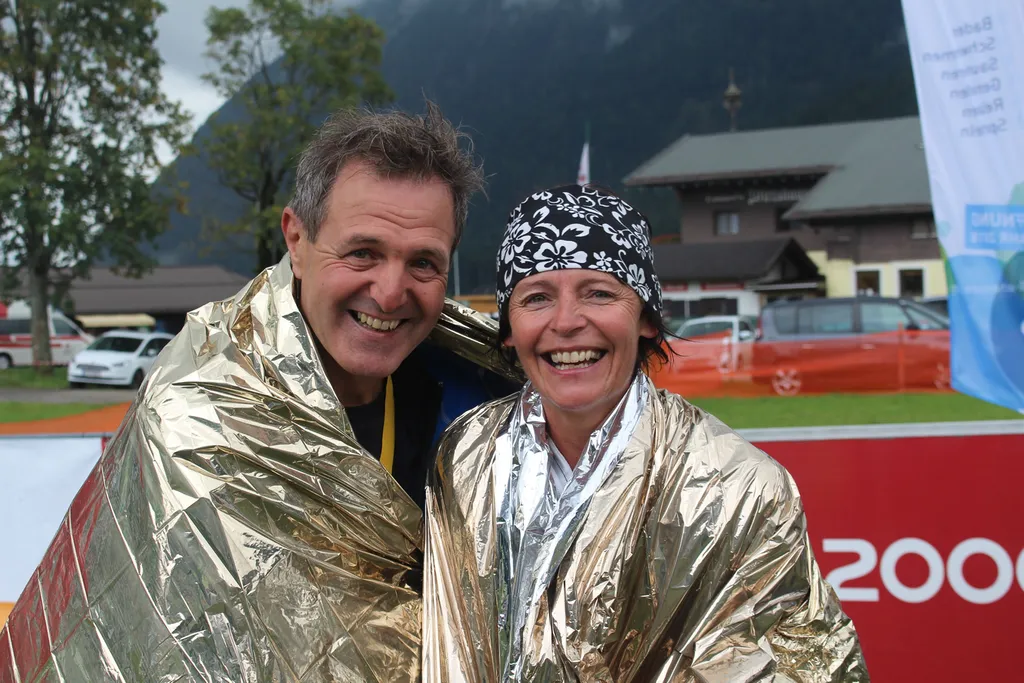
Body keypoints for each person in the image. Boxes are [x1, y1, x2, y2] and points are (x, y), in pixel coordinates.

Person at [0, 102, 518, 683]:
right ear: (296, 239)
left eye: (423, 263)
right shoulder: (199, 410)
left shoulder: (479, 414)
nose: (391, 291)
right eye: (362, 252)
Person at [423, 184, 869, 682]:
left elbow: (808, 664)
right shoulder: (465, 456)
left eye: (599, 292)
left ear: (648, 320)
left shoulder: (739, 488)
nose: (567, 322)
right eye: (537, 297)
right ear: (509, 329)